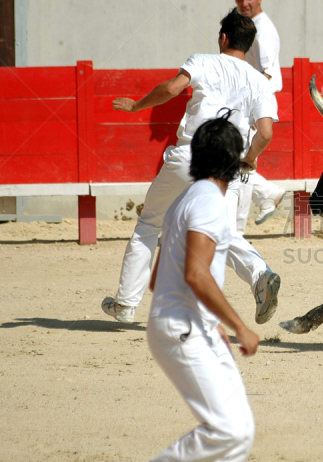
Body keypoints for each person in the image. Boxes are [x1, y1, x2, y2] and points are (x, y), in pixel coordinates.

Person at [102, 9, 280, 326]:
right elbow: (265, 132)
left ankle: (126, 304)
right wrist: (249, 159)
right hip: (227, 166)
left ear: (223, 38)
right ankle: (260, 276)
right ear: (249, 44)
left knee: (149, 225)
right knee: (223, 232)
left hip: (189, 156)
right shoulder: (259, 81)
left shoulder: (202, 60)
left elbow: (171, 89)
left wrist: (135, 105)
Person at [147, 113, 260, 461]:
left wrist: (210, 323)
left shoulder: (185, 199)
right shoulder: (211, 201)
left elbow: (156, 279)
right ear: (236, 160)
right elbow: (196, 274)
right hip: (182, 327)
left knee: (239, 432)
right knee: (227, 431)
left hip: (191, 324)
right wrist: (239, 326)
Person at [235, 0, 285, 227]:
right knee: (238, 157)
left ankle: (239, 222)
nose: (244, 3)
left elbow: (267, 73)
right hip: (257, 99)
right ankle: (267, 194)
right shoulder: (255, 26)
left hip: (257, 100)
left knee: (241, 157)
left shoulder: (261, 30)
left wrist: (247, 101)